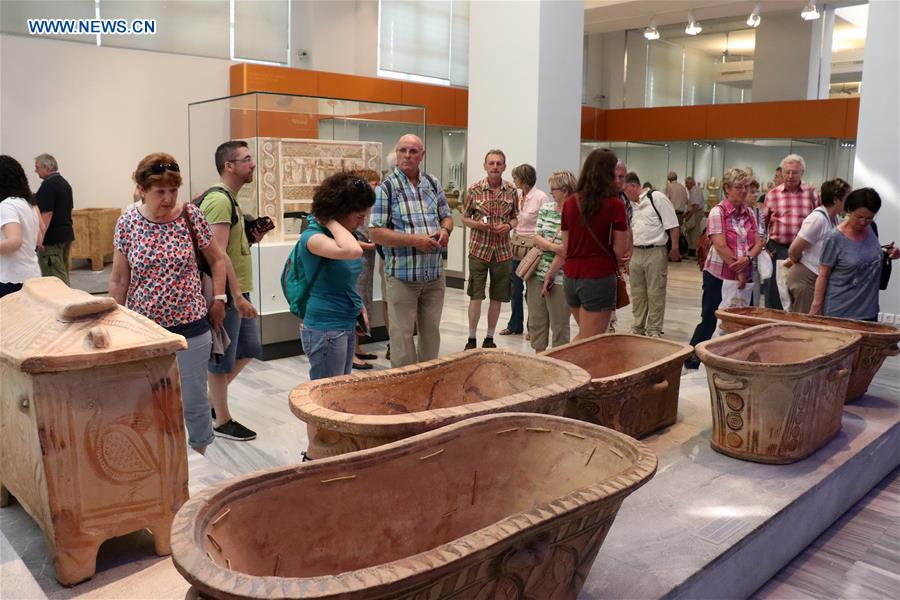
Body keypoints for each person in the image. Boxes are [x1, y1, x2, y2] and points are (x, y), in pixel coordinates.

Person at [110, 153, 228, 454]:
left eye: (173, 190)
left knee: (194, 399)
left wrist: (219, 297)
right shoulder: (128, 221)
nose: (168, 198)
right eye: (160, 191)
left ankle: (199, 456)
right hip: (145, 330)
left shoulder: (191, 216)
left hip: (190, 327)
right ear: (141, 189)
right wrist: (115, 321)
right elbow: (120, 279)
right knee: (147, 399)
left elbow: (217, 260)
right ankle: (158, 459)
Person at [198, 141, 267, 442]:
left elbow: (228, 248)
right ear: (229, 166)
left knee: (248, 350)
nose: (252, 164)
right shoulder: (219, 201)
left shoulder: (231, 199)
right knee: (222, 357)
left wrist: (251, 238)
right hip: (225, 292)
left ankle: (211, 404)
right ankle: (221, 419)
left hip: (237, 288)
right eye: (246, 159)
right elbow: (218, 253)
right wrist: (233, 296)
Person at [369, 134, 453, 367]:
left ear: (422, 155)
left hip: (434, 275)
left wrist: (445, 231)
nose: (407, 155)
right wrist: (415, 241)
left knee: (431, 335)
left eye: (413, 151)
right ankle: (406, 392)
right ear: (396, 154)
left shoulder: (433, 183)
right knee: (402, 339)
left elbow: (447, 216)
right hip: (403, 276)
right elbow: (375, 232)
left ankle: (428, 386)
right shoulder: (386, 188)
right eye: (403, 150)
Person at [297, 172, 375, 379]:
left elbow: (346, 279)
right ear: (340, 211)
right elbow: (354, 252)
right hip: (326, 328)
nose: (361, 223)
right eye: (359, 217)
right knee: (327, 396)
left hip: (344, 323)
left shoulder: (339, 237)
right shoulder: (312, 237)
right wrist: (329, 218)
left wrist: (358, 305)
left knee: (340, 390)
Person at [684, 167, 764, 369]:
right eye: (739, 187)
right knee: (710, 317)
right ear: (727, 188)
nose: (744, 191)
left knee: (739, 320)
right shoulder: (718, 212)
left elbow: (758, 242)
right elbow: (720, 244)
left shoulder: (749, 213)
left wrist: (747, 259)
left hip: (744, 275)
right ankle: (692, 355)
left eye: (746, 186)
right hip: (719, 275)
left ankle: (731, 359)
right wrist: (739, 270)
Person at [561, 149, 628, 340]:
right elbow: (619, 250)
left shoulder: (570, 203)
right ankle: (555, 365)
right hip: (598, 277)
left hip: (571, 276)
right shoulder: (615, 205)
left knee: (588, 337)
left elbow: (566, 247)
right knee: (588, 343)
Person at [811, 188, 899, 321]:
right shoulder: (834, 238)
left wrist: (889, 254)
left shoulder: (872, 228)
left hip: (869, 311)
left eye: (869, 218)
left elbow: (867, 254)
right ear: (848, 210)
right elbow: (823, 275)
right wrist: (816, 308)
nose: (863, 222)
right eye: (859, 217)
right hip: (840, 312)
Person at [462, 150, 518, 350]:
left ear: (504, 166)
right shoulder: (474, 189)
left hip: (502, 251)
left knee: (498, 295)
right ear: (485, 166)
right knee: (476, 295)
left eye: (498, 163)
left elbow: (515, 216)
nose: (495, 166)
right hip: (479, 249)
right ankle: (471, 338)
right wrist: (478, 225)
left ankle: (489, 337)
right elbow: (465, 217)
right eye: (491, 163)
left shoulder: (511, 191)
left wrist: (509, 226)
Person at [623, 171, 680, 337]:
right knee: (637, 292)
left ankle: (654, 329)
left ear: (634, 186)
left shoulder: (657, 198)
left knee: (655, 292)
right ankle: (638, 326)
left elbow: (673, 225)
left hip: (655, 251)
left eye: (626, 189)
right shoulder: (629, 206)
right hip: (635, 252)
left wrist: (674, 248)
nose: (624, 194)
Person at [784, 178, 849, 314]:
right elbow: (794, 250)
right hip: (805, 277)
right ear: (836, 200)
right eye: (847, 197)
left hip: (816, 276)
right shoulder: (818, 219)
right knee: (804, 323)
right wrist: (800, 264)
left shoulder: (834, 218)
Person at [526, 170, 574, 352]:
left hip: (561, 277)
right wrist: (554, 247)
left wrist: (551, 273)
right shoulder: (546, 208)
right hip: (536, 272)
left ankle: (559, 362)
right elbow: (536, 237)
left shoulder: (574, 212)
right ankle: (539, 358)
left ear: (565, 190)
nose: (551, 192)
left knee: (560, 325)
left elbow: (567, 250)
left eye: (554, 189)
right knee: (537, 321)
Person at [763, 154, 818, 309]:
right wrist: (765, 248)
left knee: (799, 291)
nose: (790, 176)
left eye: (795, 172)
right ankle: (772, 323)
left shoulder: (812, 195)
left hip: (804, 251)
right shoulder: (772, 195)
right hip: (778, 248)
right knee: (775, 291)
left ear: (802, 173)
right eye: (787, 172)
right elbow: (763, 223)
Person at [500, 163, 548, 338]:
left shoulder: (540, 197)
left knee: (532, 290)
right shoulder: (518, 196)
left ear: (523, 178)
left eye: (515, 178)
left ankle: (534, 327)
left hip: (532, 248)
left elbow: (545, 223)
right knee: (515, 288)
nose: (514, 181)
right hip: (516, 246)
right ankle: (514, 325)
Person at [350, 168, 381, 370]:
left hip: (367, 262)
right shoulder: (352, 210)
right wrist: (368, 246)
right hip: (356, 261)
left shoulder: (367, 207)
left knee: (363, 301)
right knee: (355, 303)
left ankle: (357, 348)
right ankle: (351, 353)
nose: (377, 188)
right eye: (374, 184)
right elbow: (346, 239)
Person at [0, 155, 42, 297]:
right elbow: (39, 240)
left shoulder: (6, 205)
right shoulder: (28, 204)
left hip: (11, 279)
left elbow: (14, 241)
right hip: (31, 275)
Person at [33, 153, 74, 285]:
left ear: (46, 167)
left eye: (37, 167)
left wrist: (40, 237)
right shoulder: (64, 183)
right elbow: (70, 210)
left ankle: (65, 303)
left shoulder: (48, 186)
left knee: (55, 278)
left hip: (52, 239)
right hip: (65, 235)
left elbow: (47, 214)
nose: (35, 171)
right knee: (62, 271)